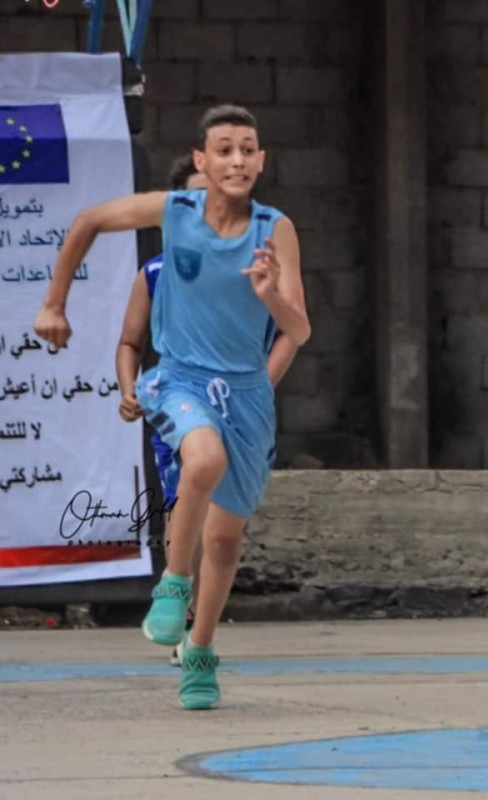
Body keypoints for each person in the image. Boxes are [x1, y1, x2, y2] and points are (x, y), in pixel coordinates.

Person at [35, 104, 311, 709]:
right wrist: (55, 303)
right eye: (224, 148)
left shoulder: (276, 228)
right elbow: (87, 220)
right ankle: (171, 583)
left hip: (246, 395)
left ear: (261, 161)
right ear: (202, 161)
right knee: (202, 460)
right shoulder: (173, 213)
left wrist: (269, 295)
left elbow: (301, 327)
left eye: (247, 148)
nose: (237, 159)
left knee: (225, 540)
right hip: (180, 379)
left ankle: (201, 652)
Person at [114, 154, 299, 668]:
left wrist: (261, 383)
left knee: (223, 531)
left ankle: (200, 639)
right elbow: (129, 342)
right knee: (189, 494)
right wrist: (129, 388)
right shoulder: (154, 274)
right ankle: (178, 601)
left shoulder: (257, 269)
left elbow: (293, 330)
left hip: (241, 406)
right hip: (186, 400)